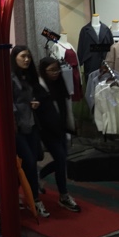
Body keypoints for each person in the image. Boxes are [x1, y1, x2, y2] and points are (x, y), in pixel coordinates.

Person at [35, 57, 81, 213]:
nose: (55, 73)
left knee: (62, 160)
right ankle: (63, 195)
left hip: (61, 128)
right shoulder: (40, 87)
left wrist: (70, 123)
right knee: (61, 160)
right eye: (51, 70)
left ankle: (39, 176)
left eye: (57, 70)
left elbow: (65, 105)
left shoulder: (60, 83)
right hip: (47, 130)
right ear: (44, 71)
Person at [11, 45, 49, 218]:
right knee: (29, 161)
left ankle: (22, 195)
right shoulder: (11, 78)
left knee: (31, 161)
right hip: (17, 127)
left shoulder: (29, 76)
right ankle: (34, 199)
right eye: (23, 56)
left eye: (28, 56)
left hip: (31, 123)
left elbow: (39, 94)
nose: (26, 59)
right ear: (15, 58)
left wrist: (35, 102)